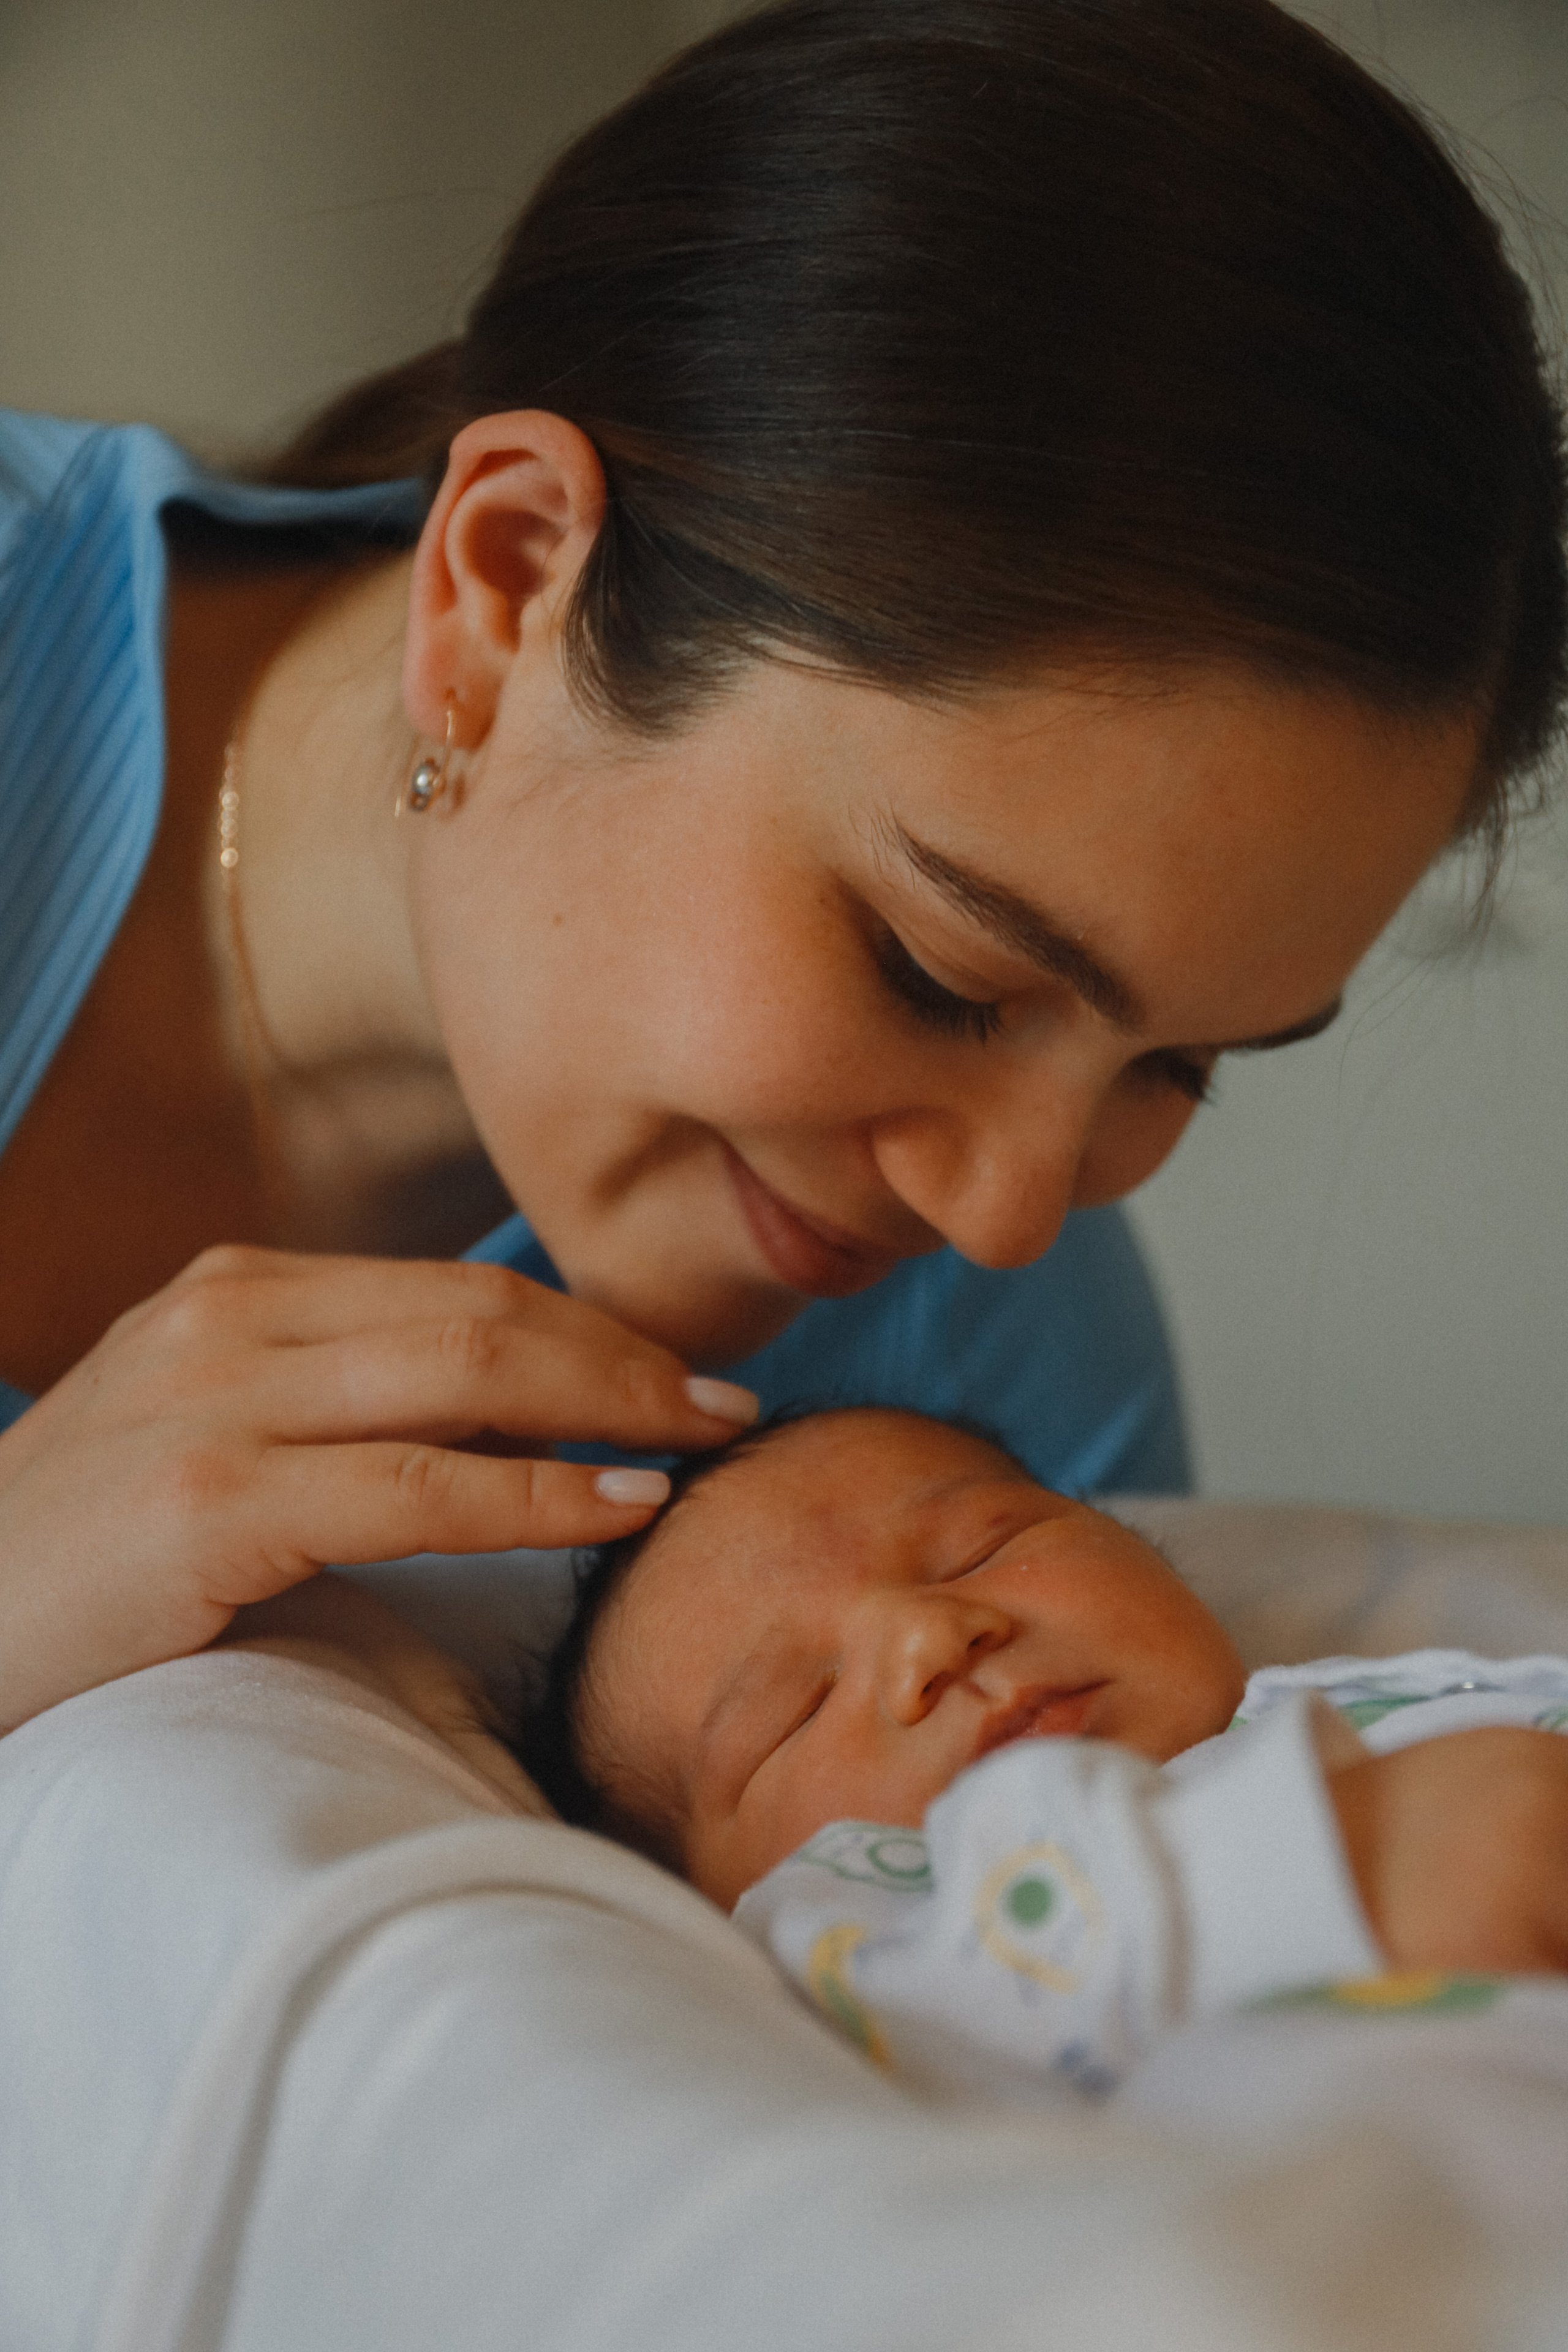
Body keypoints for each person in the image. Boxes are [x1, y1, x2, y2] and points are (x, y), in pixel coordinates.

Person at [0, 0, 1562, 1742]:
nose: (1005, 1219)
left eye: (1180, 1062)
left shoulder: (987, 1426)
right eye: (942, 973)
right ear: (509, 581)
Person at [514, 1405, 1568, 2097]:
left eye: (990, 1547)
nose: (931, 1634)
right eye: (794, 1711)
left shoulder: (1341, 1700)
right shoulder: (879, 1935)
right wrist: (1429, 1849)